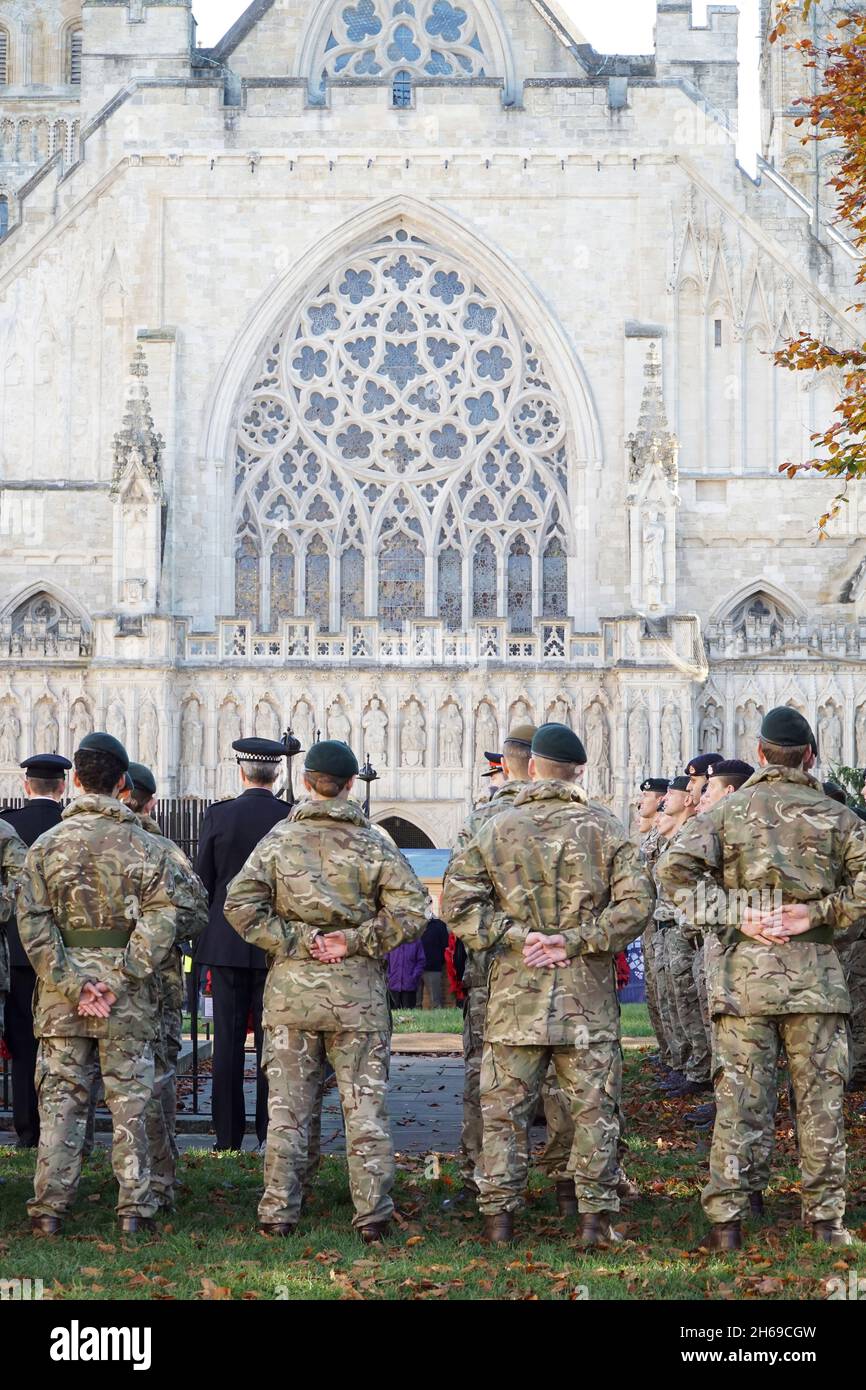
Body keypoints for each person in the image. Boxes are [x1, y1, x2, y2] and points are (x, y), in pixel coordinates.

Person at [657, 706, 866, 1250]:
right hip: (815, 981)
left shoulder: (727, 814)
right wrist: (818, 913)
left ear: (760, 755)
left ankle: (729, 1220)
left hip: (744, 981)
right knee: (820, 1103)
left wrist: (735, 913)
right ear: (811, 757)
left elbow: (672, 872)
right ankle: (826, 1221)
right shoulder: (837, 817)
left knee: (741, 1100)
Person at [442, 722, 655, 1246]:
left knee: (504, 1112)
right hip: (586, 1000)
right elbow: (637, 905)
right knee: (592, 1109)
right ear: (579, 771)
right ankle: (593, 1220)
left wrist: (517, 936)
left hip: (515, 995)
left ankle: (499, 1220)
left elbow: (456, 905)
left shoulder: (495, 826)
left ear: (532, 768)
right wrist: (576, 940)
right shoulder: (607, 829)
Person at [224, 738, 428, 1242]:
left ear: (306, 782)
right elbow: (413, 911)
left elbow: (240, 906)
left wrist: (297, 939)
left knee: (288, 1110)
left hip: (293, 996)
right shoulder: (375, 843)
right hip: (356, 999)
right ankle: (373, 1216)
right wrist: (355, 940)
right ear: (351, 785)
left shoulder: (278, 841)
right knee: (365, 1110)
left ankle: (278, 1212)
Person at [18, 732, 180, 1236]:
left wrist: (72, 983)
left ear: (76, 780)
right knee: (131, 1104)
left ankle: (49, 1208)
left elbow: (32, 923)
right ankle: (134, 1208)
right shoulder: (146, 845)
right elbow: (161, 921)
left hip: (62, 1000)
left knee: (61, 1105)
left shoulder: (46, 847)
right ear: (123, 782)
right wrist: (117, 979)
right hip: (126, 1001)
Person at [444, 723, 536, 1207]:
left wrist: (500, 937)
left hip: (494, 969)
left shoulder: (483, 820)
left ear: (506, 765)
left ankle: (485, 1177)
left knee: (487, 1072)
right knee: (571, 1076)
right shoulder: (586, 818)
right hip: (570, 972)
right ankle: (574, 1184)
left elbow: (457, 902)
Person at [194, 737, 291, 1152]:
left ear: (242, 772)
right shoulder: (289, 818)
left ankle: (227, 1137)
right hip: (274, 944)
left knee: (228, 1045)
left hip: (228, 943)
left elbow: (205, 880)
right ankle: (270, 1133)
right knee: (273, 1044)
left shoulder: (220, 816)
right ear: (277, 774)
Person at [120, 762, 208, 1209]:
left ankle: (57, 1194)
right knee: (155, 1083)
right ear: (150, 800)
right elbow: (196, 913)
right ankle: (157, 1184)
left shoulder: (65, 840)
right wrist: (158, 932)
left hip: (79, 984)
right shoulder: (165, 851)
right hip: (154, 986)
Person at [1, 753, 70, 1148]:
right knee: (67, 1047)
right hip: (66, 954)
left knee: (24, 1046)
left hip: (18, 953)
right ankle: (63, 1130)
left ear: (26, 786)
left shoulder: (11, 825)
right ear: (62, 787)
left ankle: (28, 1129)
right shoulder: (71, 827)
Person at [655, 776, 712, 1100]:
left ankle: (703, 1074)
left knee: (707, 1014)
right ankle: (690, 1066)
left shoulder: (703, 833)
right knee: (682, 1005)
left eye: (702, 788)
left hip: (698, 934)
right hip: (676, 930)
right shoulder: (680, 835)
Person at [635, 778, 669, 1071]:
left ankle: (688, 1065)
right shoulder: (651, 838)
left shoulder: (666, 836)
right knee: (659, 995)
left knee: (675, 997)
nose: (639, 802)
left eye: (646, 796)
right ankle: (672, 1056)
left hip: (668, 926)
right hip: (654, 926)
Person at [419, 916, 449, 1008]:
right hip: (413, 969)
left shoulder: (439, 925)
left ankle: (438, 1021)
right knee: (413, 1003)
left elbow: (446, 945)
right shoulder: (412, 923)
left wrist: (439, 961)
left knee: (436, 1001)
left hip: (433, 968)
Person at [387, 938, 426, 1008]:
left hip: (409, 986)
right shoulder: (391, 940)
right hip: (393, 985)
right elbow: (385, 961)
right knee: (393, 1015)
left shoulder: (416, 941)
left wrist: (414, 977)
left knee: (408, 1014)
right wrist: (389, 976)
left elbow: (421, 961)